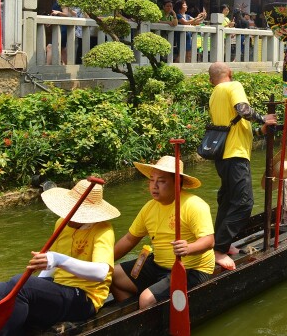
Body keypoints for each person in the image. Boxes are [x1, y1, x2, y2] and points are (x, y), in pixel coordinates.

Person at [0, 180, 120, 335]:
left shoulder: (103, 230)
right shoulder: (62, 223)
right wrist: (37, 286)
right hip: (59, 287)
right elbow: (51, 266)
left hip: (85, 298)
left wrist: (58, 260)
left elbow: (101, 273)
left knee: (19, 284)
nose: (66, 215)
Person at [110, 156, 214, 308]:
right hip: (158, 264)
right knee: (111, 275)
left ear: (177, 182)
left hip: (191, 269)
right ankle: (136, 314)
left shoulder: (194, 205)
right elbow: (129, 239)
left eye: (161, 181)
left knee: (146, 299)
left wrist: (188, 248)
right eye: (152, 180)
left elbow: (209, 241)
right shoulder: (149, 208)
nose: (154, 186)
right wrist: (103, 262)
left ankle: (148, 312)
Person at [207, 62, 276, 270]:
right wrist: (264, 118)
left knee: (228, 201)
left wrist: (260, 131)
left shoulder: (214, 94)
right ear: (230, 73)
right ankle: (219, 250)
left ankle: (222, 243)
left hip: (223, 156)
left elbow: (235, 127)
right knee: (244, 203)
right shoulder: (233, 85)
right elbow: (243, 110)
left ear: (211, 80)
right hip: (235, 156)